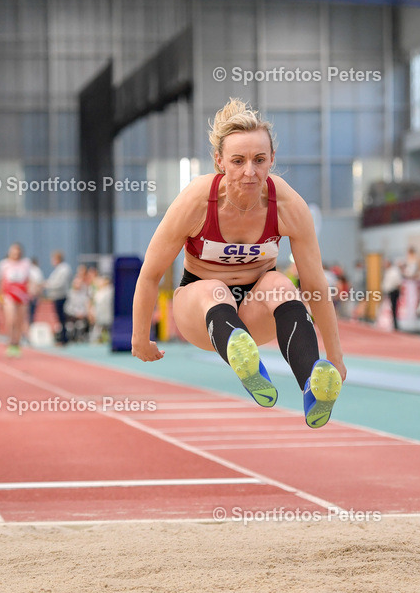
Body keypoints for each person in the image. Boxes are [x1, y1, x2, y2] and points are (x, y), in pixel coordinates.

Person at [131, 98, 346, 429]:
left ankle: (313, 386)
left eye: (259, 160)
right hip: (200, 312)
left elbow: (315, 285)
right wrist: (139, 337)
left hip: (257, 311)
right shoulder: (196, 201)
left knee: (280, 284)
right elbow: (150, 275)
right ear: (219, 161)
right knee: (216, 290)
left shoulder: (288, 205)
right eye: (238, 161)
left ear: (272, 159)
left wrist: (335, 357)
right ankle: (244, 358)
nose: (250, 172)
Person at [0, 243, 33, 357]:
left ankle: (17, 343)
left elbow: (29, 280)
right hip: (9, 295)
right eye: (13, 252)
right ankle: (10, 341)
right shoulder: (4, 264)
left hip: (22, 295)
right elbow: (0, 282)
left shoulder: (26, 263)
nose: (15, 254)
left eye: (17, 252)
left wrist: (30, 292)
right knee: (11, 319)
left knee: (19, 322)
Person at [44, 251, 73, 345]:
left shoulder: (64, 269)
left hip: (62, 296)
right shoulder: (59, 269)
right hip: (57, 296)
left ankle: (64, 338)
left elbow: (60, 284)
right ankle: (62, 337)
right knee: (60, 319)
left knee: (62, 318)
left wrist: (47, 285)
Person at [381, 259, 403, 331]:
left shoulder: (394, 271)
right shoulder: (387, 271)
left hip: (394, 291)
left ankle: (395, 324)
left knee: (394, 308)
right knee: (388, 308)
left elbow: (398, 282)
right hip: (388, 292)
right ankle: (390, 323)